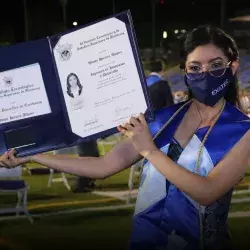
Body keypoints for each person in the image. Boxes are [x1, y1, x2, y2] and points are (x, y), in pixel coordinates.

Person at [1, 25, 250, 250]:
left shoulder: (242, 130)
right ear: (185, 71)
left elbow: (207, 193)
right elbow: (104, 166)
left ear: (233, 66)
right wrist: (35, 156)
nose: (205, 73)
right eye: (195, 67)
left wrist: (149, 151)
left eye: (216, 65)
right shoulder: (163, 119)